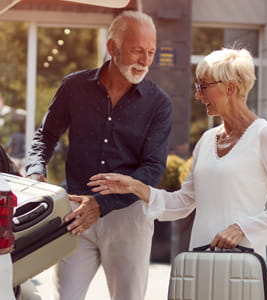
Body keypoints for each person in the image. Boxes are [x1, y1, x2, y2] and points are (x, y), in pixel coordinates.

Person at [88, 47, 267, 259]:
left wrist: (244, 229)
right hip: (201, 254)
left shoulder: (264, 135)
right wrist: (134, 186)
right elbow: (183, 202)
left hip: (243, 259)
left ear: (230, 88)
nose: (197, 95)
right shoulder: (207, 139)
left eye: (203, 87)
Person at [25, 10, 172, 300]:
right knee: (65, 297)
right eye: (137, 51)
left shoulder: (159, 104)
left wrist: (102, 204)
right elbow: (45, 135)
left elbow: (153, 167)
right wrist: (35, 172)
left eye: (151, 52)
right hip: (77, 213)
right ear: (112, 47)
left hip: (128, 218)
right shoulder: (74, 87)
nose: (145, 61)